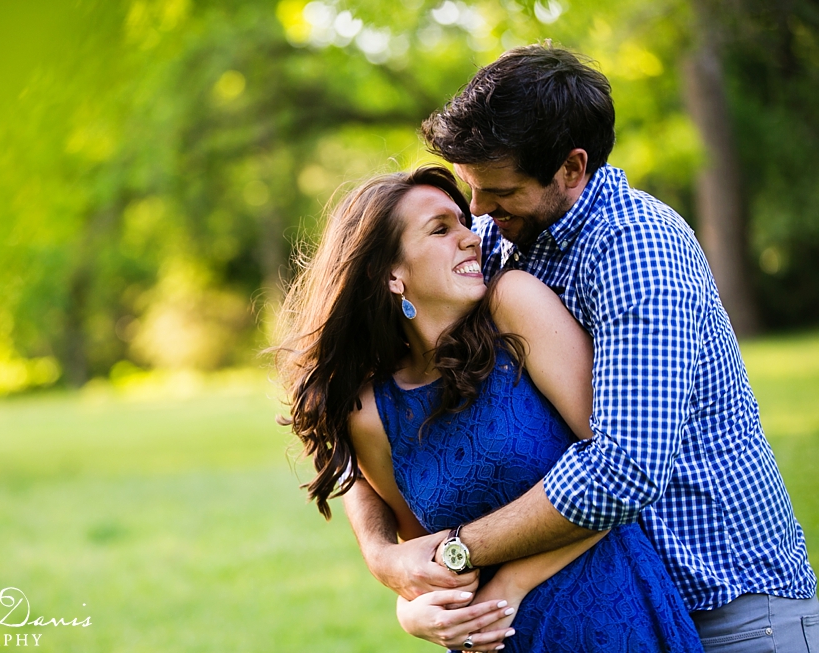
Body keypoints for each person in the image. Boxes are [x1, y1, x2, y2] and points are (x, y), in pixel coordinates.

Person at [341, 44, 818, 652]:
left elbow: (622, 470)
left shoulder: (637, 252)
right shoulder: (492, 242)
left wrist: (456, 553)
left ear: (571, 168)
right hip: (610, 603)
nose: (478, 211)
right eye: (472, 189)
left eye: (499, 190)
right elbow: (362, 423)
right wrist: (390, 560)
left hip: (729, 606)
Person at [273, 164, 703, 651]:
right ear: (390, 274)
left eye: (462, 221)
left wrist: (510, 584)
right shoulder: (372, 414)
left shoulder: (515, 306)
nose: (471, 237)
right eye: (441, 229)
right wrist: (414, 609)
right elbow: (427, 564)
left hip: (616, 619)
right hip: (494, 641)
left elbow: (618, 477)